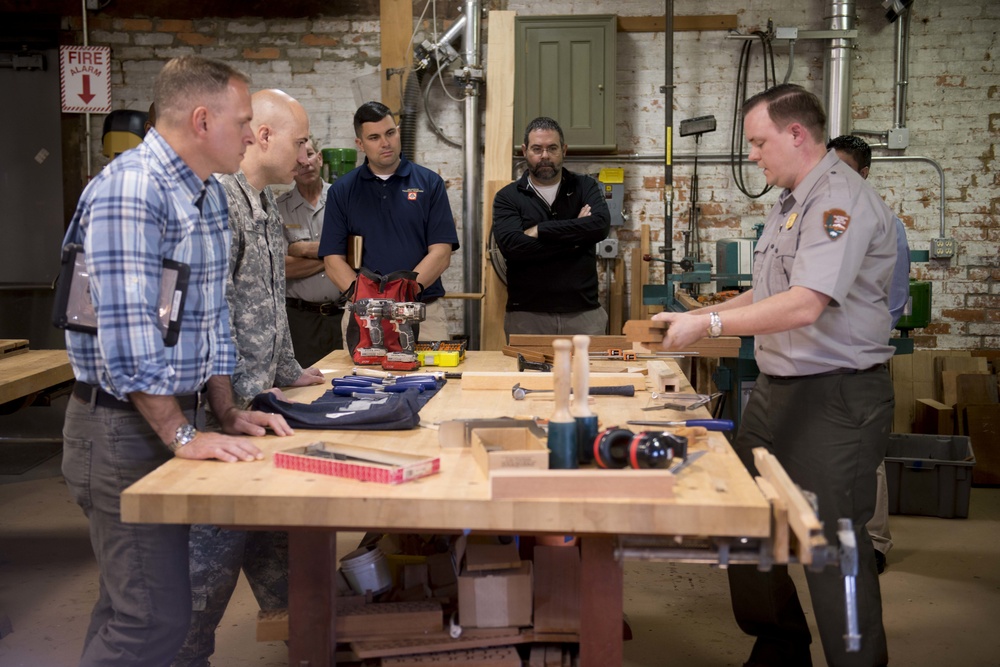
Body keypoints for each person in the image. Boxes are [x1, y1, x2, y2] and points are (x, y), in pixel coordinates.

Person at [60, 55, 294, 667]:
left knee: (128, 609)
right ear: (200, 120)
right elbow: (129, 336)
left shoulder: (209, 196)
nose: (250, 135)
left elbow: (211, 314)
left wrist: (225, 409)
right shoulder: (133, 190)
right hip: (118, 427)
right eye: (243, 121)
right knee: (153, 622)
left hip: (169, 416)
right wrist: (181, 432)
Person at [655, 84, 895, 666]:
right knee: (743, 515)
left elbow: (806, 303)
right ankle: (781, 642)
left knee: (830, 540)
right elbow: (770, 292)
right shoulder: (790, 203)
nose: (754, 156)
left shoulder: (839, 202)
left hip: (835, 395)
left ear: (796, 135)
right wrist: (693, 317)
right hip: (776, 389)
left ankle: (857, 660)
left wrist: (709, 324)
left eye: (760, 143)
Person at [173, 89, 325, 666]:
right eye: (299, 139)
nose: (306, 152)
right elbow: (213, 312)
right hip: (224, 417)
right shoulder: (221, 204)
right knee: (202, 580)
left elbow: (266, 302)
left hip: (258, 410)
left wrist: (290, 371)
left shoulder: (263, 208)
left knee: (282, 557)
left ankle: (309, 646)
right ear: (263, 137)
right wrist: (226, 406)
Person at [828, 134, 912, 575]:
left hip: (860, 354)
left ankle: (874, 542)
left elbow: (894, 300)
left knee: (866, 455)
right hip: (822, 355)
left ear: (864, 173)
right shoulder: (826, 216)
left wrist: (862, 336)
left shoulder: (884, 222)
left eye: (844, 169)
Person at [319, 100, 459, 342]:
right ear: (360, 144)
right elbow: (333, 260)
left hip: (421, 314)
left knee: (432, 380)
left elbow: (441, 252)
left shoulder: (429, 184)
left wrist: (402, 294)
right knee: (363, 380)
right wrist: (365, 299)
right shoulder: (341, 191)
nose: (385, 143)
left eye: (390, 133)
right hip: (364, 316)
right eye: (374, 137)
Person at [491, 116, 612, 340]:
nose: (545, 156)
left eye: (552, 148)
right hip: (526, 315)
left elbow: (601, 226)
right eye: (537, 149)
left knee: (591, 375)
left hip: (584, 313)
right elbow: (513, 248)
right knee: (527, 376)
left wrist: (541, 230)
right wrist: (577, 236)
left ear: (564, 150)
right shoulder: (508, 197)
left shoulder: (585, 186)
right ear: (525, 150)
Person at [278, 138, 344, 366]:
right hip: (300, 321)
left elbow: (359, 253)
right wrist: (335, 255)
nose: (305, 162)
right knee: (303, 389)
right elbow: (282, 268)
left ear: (320, 158)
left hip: (343, 316)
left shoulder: (344, 199)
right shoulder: (278, 209)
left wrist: (302, 249)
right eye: (298, 158)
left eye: (310, 154)